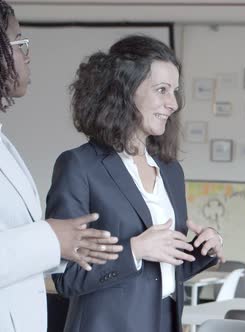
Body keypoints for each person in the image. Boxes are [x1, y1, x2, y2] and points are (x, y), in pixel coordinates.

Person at [46, 35, 224, 332]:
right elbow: (66, 279)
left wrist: (202, 250)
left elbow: (161, 274)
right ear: (126, 91)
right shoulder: (79, 166)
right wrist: (135, 250)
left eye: (175, 91)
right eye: (162, 90)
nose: (173, 103)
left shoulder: (170, 171)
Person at [0, 1, 123, 331]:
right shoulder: (77, 163)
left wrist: (62, 245)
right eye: (18, 42)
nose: (27, 54)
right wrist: (51, 238)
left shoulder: (5, 143)